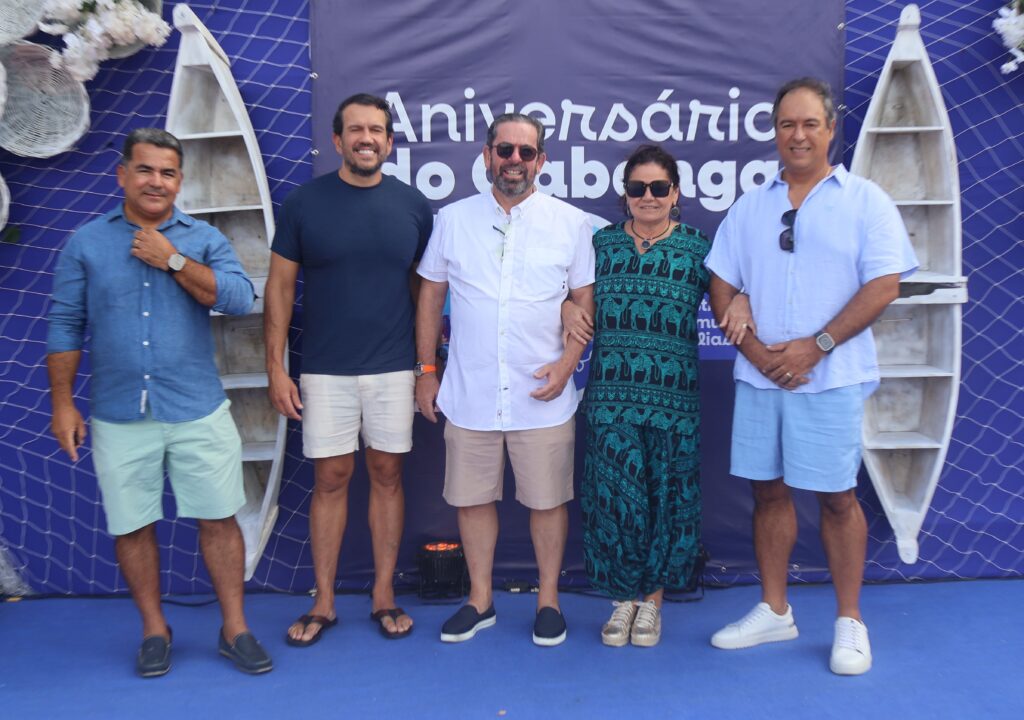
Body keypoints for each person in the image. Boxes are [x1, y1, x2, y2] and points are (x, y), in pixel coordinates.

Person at [704, 78, 917, 675]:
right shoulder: (750, 206)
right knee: (767, 492)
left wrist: (816, 347)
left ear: (830, 129)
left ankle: (850, 621)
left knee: (837, 497)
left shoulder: (866, 202)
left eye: (809, 124)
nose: (797, 135)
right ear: (775, 131)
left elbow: (884, 285)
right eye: (786, 125)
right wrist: (755, 348)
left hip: (831, 378)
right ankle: (775, 610)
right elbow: (720, 282)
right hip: (760, 379)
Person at [46, 128, 272, 677]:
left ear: (180, 180)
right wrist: (62, 404)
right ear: (122, 175)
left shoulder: (200, 238)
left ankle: (234, 629)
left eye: (167, 173)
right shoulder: (86, 243)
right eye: (145, 170)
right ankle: (154, 630)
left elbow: (240, 298)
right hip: (120, 414)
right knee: (132, 525)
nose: (156, 181)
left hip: (197, 408)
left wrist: (172, 261)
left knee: (219, 518)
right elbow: (65, 323)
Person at [415, 113, 595, 647]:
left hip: (542, 394)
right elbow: (430, 296)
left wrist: (568, 364)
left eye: (525, 152)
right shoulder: (452, 219)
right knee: (471, 500)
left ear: (541, 161)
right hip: (470, 391)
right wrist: (426, 370)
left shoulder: (570, 223)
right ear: (487, 155)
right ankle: (480, 600)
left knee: (547, 501)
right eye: (505, 150)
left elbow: (583, 301)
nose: (514, 160)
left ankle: (548, 601)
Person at [264, 93, 433, 645]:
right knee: (330, 479)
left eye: (376, 130)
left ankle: (383, 594)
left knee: (387, 475)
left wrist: (425, 364)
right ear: (337, 140)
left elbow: (425, 291)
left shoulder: (413, 206)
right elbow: (279, 287)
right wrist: (276, 367)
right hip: (324, 369)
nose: (367, 138)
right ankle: (324, 601)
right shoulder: (304, 204)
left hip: (393, 368)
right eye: (356, 129)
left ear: (389, 142)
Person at [561, 144, 725, 647]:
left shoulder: (698, 248)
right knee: (614, 500)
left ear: (675, 193)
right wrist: (566, 307)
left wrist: (740, 306)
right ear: (625, 194)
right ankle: (621, 599)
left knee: (664, 500)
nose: (648, 196)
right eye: (637, 187)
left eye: (658, 187)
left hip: (673, 401)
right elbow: (567, 291)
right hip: (611, 397)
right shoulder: (602, 244)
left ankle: (651, 602)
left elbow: (730, 297)